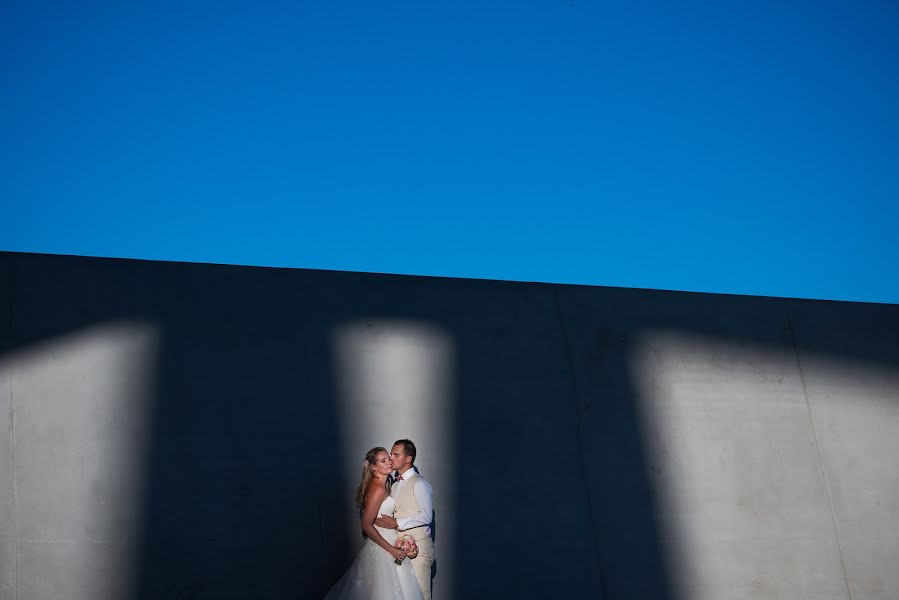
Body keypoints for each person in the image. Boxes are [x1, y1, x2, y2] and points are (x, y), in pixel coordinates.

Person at [324, 447, 424, 600]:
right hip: (385, 547)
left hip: (385, 541)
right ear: (374, 467)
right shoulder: (378, 488)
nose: (389, 462)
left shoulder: (382, 485)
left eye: (388, 459)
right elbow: (366, 524)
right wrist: (392, 550)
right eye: (383, 461)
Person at [375, 440, 435, 599]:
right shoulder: (394, 485)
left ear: (408, 459)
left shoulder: (420, 483)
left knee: (420, 595)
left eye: (396, 454)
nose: (391, 458)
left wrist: (397, 523)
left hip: (419, 548)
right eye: (391, 454)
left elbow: (427, 515)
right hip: (398, 549)